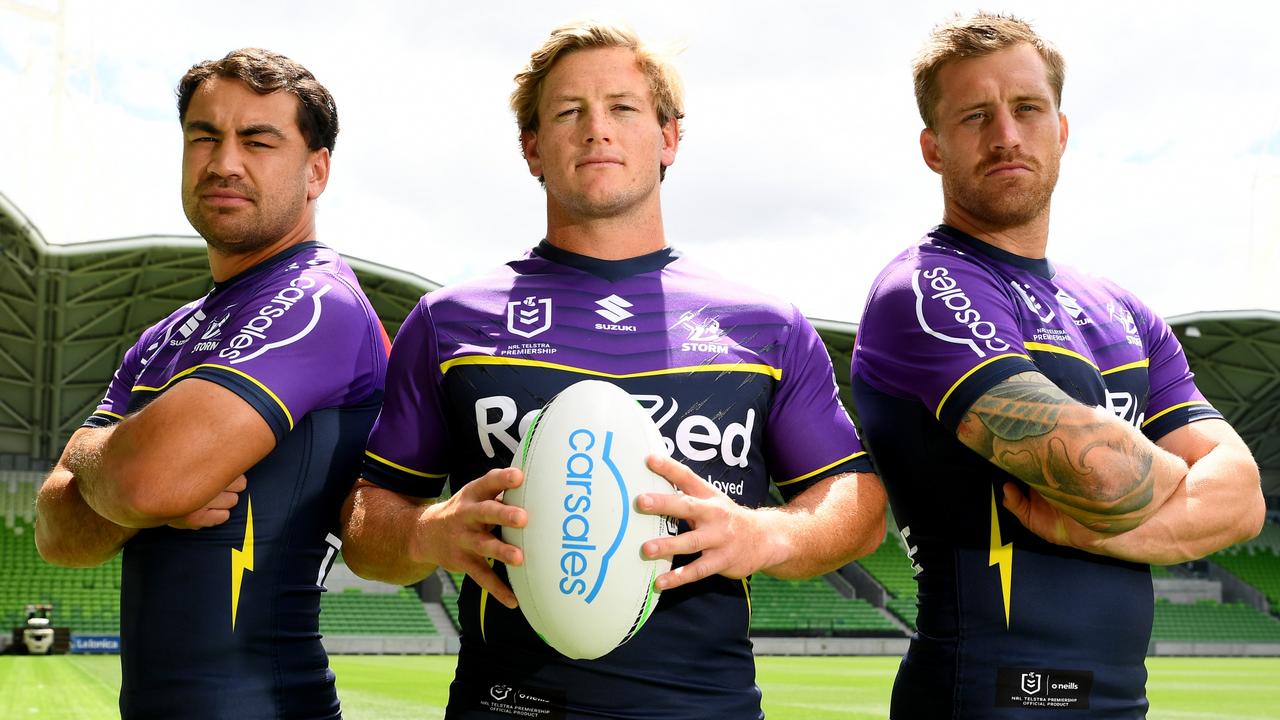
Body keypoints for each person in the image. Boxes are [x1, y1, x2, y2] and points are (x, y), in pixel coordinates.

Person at [340, 20, 886, 719]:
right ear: (532, 148)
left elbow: (857, 502)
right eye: (568, 111)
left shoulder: (763, 326)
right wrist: (426, 530)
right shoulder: (451, 323)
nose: (597, 129)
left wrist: (768, 533)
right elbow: (365, 522)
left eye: (622, 107)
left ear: (669, 138)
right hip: (509, 706)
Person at [850, 12, 1265, 719]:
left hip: (1117, 702)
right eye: (975, 116)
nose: (1006, 134)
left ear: (1061, 131)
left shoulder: (1122, 310)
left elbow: (1245, 499)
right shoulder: (923, 288)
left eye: (1027, 109)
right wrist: (1165, 478)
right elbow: (1101, 477)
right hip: (984, 698)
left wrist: (1089, 519)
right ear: (933, 148)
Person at [34, 48, 388, 719]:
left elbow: (148, 482)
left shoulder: (319, 303)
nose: (224, 162)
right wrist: (112, 469)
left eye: (258, 140)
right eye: (204, 137)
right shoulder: (161, 338)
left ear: (316, 171)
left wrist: (107, 471)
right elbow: (56, 532)